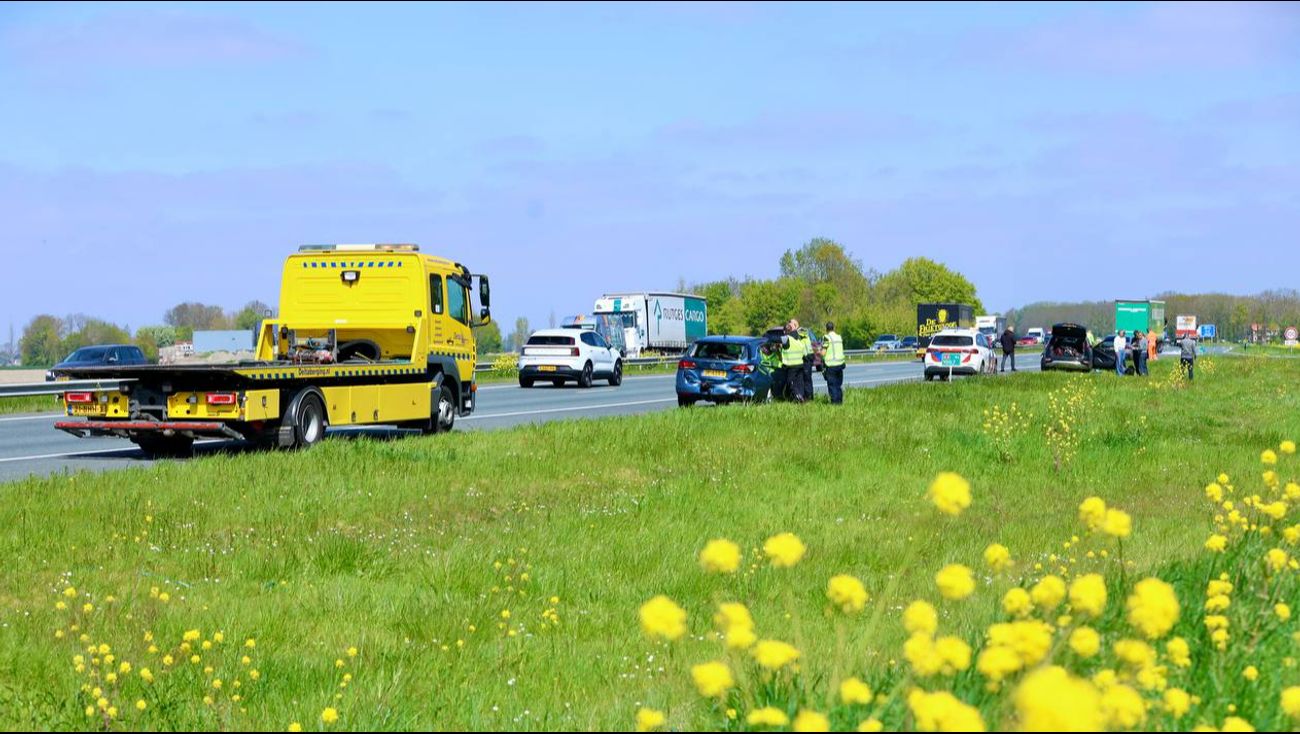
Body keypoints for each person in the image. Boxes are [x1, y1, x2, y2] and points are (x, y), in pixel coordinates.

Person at [780, 319, 807, 402]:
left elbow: (782, 344)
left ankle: (798, 397)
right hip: (800, 364)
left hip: (791, 365)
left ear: (785, 331)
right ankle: (801, 396)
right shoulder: (798, 340)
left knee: (790, 382)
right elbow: (805, 353)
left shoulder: (786, 338)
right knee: (799, 383)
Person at [821, 321, 846, 404]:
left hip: (831, 365)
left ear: (826, 329)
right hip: (840, 364)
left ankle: (835, 404)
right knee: (838, 385)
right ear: (834, 328)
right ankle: (840, 401)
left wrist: (818, 352)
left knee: (832, 385)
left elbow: (823, 352)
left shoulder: (826, 338)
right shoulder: (839, 337)